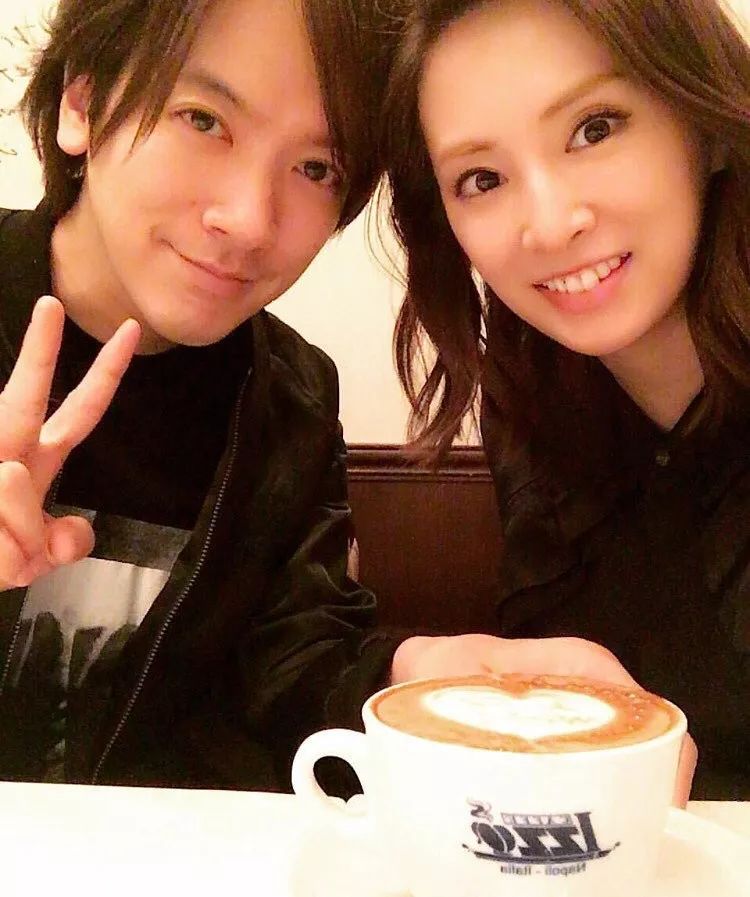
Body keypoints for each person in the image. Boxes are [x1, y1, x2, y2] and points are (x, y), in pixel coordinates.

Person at [0, 0, 653, 793]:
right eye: (204, 120)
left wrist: (422, 671)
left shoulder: (293, 395)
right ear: (82, 103)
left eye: (316, 168)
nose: (250, 220)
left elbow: (295, 667)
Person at [381, 0, 749, 798]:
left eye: (594, 129)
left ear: (708, 124)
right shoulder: (531, 394)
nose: (549, 226)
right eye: (482, 179)